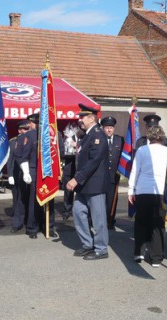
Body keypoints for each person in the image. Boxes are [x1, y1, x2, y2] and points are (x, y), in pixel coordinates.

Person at [66, 103, 109, 260]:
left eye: (82, 117)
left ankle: (101, 248)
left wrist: (76, 179)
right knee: (78, 213)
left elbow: (94, 160)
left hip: (94, 184)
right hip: (84, 184)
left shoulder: (98, 135)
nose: (80, 120)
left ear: (92, 118)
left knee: (98, 219)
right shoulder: (87, 136)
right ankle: (87, 244)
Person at [128, 125, 167, 267]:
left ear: (149, 137)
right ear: (162, 137)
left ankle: (138, 252)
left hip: (143, 190)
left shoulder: (141, 150)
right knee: (158, 224)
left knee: (141, 222)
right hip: (160, 191)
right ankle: (156, 258)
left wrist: (130, 190)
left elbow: (135, 171)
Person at [100, 116, 124, 230]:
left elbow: (124, 157)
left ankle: (110, 221)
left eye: (111, 127)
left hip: (114, 175)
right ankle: (99, 221)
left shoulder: (120, 140)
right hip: (100, 176)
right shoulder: (99, 139)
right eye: (107, 127)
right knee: (100, 201)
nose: (109, 130)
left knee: (112, 200)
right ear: (103, 128)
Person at [7, 120, 30, 232]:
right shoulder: (13, 141)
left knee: (29, 199)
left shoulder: (32, 140)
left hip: (30, 174)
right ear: (19, 130)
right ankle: (17, 223)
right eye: (23, 129)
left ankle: (28, 220)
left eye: (27, 129)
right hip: (17, 174)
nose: (25, 131)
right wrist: (10, 175)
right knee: (18, 200)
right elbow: (10, 159)